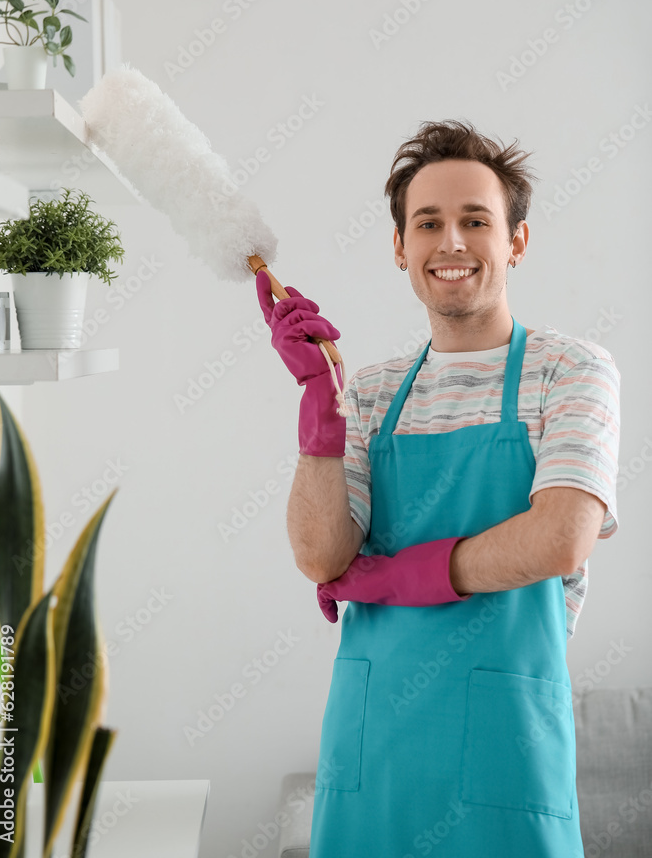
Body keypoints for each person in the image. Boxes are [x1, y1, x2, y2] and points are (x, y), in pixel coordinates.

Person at [255, 119, 620, 857]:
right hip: (374, 743)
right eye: (428, 223)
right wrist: (318, 408)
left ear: (515, 241)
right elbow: (322, 555)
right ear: (400, 248)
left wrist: (395, 577)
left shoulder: (570, 371)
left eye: (474, 221)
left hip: (504, 744)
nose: (450, 242)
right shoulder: (369, 392)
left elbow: (560, 537)